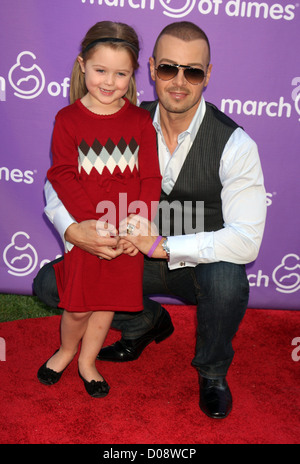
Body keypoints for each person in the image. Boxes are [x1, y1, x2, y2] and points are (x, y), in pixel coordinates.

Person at [34, 21, 266, 416]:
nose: (179, 81)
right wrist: (74, 229)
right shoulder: (124, 117)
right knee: (50, 285)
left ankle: (211, 372)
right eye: (168, 69)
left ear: (207, 76)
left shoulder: (235, 144)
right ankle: (148, 321)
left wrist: (163, 245)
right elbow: (59, 180)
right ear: (153, 68)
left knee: (228, 281)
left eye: (192, 71)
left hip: (193, 263)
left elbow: (246, 240)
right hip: (123, 247)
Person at [36, 21, 162, 398]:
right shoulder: (68, 119)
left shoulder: (141, 122)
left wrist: (136, 226)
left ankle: (88, 362)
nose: (109, 82)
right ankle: (66, 350)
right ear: (82, 65)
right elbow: (61, 174)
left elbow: (151, 179)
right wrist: (89, 223)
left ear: (133, 75)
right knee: (76, 307)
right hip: (88, 233)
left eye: (121, 73)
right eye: (100, 70)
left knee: (106, 306)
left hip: (125, 236)